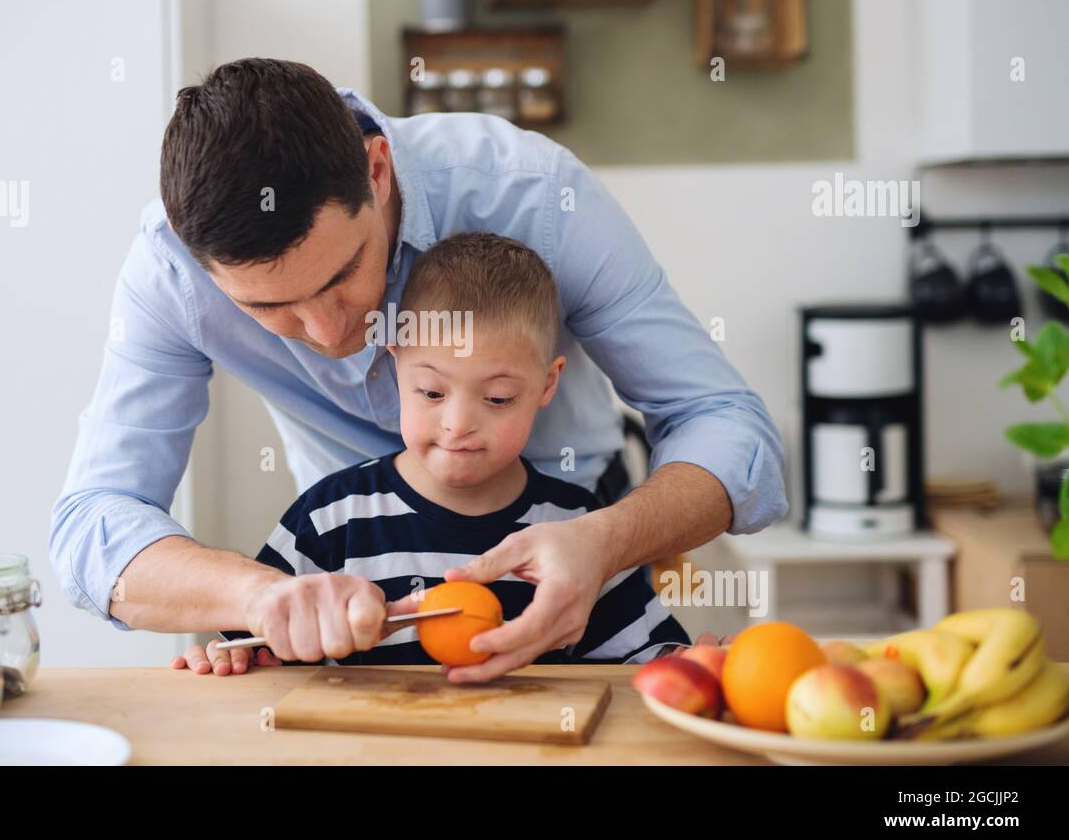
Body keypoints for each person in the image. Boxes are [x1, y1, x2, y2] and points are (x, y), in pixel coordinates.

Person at [51, 58, 786, 683]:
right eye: (272, 308)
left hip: (576, 543)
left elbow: (726, 423)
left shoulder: (534, 193)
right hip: (353, 562)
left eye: (344, 274)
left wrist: (606, 542)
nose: (332, 332)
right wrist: (260, 600)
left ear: (377, 171)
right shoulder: (170, 271)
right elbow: (93, 522)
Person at [191, 233, 694, 676]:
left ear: (548, 384)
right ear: (396, 367)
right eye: (432, 393)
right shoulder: (330, 518)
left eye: (497, 399)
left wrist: (695, 664)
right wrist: (227, 655)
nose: (457, 424)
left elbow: (647, 661)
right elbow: (256, 644)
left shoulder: (574, 529)